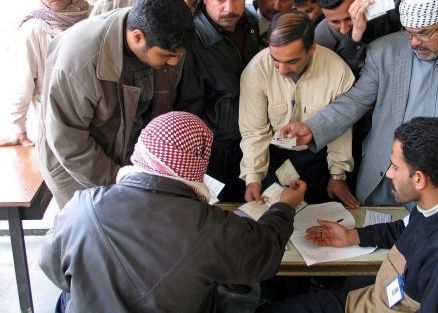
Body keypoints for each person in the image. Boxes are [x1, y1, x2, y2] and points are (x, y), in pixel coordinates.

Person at [39, 111, 307, 312]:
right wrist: (285, 206)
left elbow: (52, 268)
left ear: (143, 147)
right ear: (197, 166)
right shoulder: (213, 227)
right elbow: (263, 255)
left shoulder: (82, 206)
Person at [259, 117, 438, 312]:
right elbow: (404, 228)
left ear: (419, 179)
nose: (389, 174)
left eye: (395, 167)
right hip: (371, 300)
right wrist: (352, 236)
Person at [281, 0, 438, 206]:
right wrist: (312, 128)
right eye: (409, 32)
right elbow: (355, 100)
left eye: (423, 33)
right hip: (386, 179)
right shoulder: (384, 52)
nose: (414, 42)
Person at [37, 0, 195, 208]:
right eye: (167, 56)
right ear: (137, 37)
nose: (174, 62)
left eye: (178, 56)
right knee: (97, 229)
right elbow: (68, 142)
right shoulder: (78, 63)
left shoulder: (165, 40)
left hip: (126, 153)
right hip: (77, 166)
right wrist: (119, 180)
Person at [240, 11, 357, 206]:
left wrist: (338, 175)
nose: (282, 70)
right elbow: (254, 131)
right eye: (275, 59)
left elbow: (340, 128)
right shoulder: (256, 70)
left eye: (292, 61)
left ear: (311, 49)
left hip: (316, 157)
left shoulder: (337, 71)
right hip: (271, 156)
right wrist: (253, 177)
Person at [174, 0, 260, 202]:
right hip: (214, 150)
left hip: (252, 142)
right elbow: (187, 108)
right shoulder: (189, 38)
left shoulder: (250, 24)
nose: (229, 8)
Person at [0, 0, 90, 147]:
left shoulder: (95, 15)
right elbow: (22, 81)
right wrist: (18, 128)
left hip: (95, 117)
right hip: (55, 124)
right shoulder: (34, 28)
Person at [314, 0, 400, 75]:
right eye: (335, 22)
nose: (344, 29)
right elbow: (340, 76)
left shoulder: (386, 12)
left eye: (349, 18)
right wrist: (355, 37)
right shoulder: (321, 36)